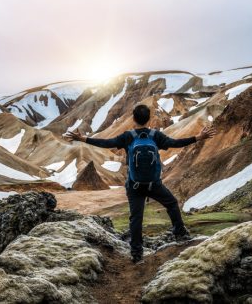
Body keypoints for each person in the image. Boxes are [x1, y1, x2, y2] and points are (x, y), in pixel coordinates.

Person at [64, 104, 216, 263]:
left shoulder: (128, 136)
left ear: (133, 118)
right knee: (171, 203)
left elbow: (106, 143)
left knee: (136, 218)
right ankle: (180, 235)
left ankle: (137, 254)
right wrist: (198, 137)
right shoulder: (155, 135)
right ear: (149, 118)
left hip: (134, 185)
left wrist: (82, 139)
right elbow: (175, 143)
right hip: (154, 184)